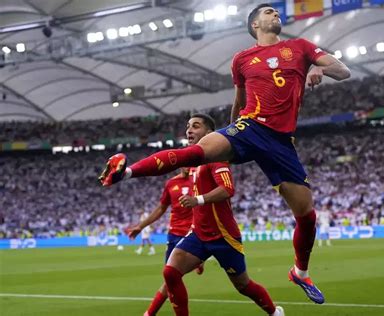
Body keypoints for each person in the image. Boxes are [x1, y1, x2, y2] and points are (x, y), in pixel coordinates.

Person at [99, 3, 350, 304]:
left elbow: (343, 70)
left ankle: (300, 271)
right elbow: (239, 101)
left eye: (276, 11)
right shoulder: (242, 59)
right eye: (269, 11)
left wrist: (319, 67)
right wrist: (228, 134)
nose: (275, 14)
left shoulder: (300, 47)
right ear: (255, 24)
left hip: (281, 142)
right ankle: (126, 172)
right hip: (250, 126)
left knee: (306, 215)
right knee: (197, 151)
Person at [161, 114, 284, 315]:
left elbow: (227, 189)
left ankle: (274, 312)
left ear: (209, 133)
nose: (189, 130)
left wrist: (198, 200)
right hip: (199, 234)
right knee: (170, 272)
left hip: (223, 236)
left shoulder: (216, 158)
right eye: (188, 126)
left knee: (243, 285)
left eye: (196, 126)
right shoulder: (194, 161)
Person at [126, 168, 203, 316]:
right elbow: (161, 208)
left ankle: (149, 313)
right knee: (170, 279)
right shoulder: (171, 183)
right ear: (181, 165)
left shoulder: (198, 179)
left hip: (193, 234)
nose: (188, 166)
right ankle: (198, 262)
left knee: (173, 277)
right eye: (185, 163)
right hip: (174, 234)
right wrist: (141, 226)